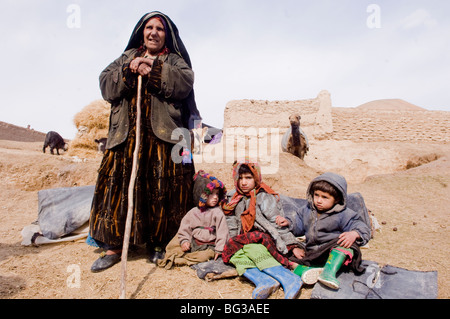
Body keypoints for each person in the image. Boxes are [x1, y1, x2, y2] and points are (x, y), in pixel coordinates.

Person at [88, 11, 202, 272]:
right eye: (149, 28)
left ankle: (158, 243)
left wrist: (154, 69)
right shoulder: (126, 57)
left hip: (164, 139)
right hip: (125, 137)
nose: (153, 33)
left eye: (159, 29)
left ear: (167, 35)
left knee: (163, 191)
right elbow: (105, 84)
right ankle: (114, 246)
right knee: (118, 189)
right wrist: (130, 70)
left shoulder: (175, 60)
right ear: (142, 32)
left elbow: (185, 83)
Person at [221, 159, 303, 299]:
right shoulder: (233, 197)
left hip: (265, 236)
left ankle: (290, 279)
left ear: (256, 178)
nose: (244, 182)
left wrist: (292, 244)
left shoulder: (264, 196)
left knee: (252, 249)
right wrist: (233, 240)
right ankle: (264, 281)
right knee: (234, 253)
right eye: (240, 178)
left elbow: (276, 222)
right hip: (245, 238)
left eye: (248, 178)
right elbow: (232, 221)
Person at [278, 172, 371, 289]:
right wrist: (289, 222)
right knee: (286, 255)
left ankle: (328, 273)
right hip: (312, 253)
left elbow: (362, 227)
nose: (318, 200)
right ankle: (308, 270)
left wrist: (354, 233)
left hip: (332, 252)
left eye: (325, 197)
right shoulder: (306, 210)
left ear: (337, 199)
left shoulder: (344, 214)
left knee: (348, 244)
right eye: (316, 195)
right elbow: (299, 225)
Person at [157, 171, 229, 268]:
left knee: (204, 256)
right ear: (201, 195)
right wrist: (184, 241)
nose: (215, 197)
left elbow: (222, 232)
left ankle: (183, 259)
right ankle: (173, 254)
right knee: (175, 241)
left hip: (209, 245)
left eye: (217, 194)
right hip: (194, 241)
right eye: (211, 194)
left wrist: (219, 249)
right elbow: (185, 228)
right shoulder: (193, 212)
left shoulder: (218, 213)